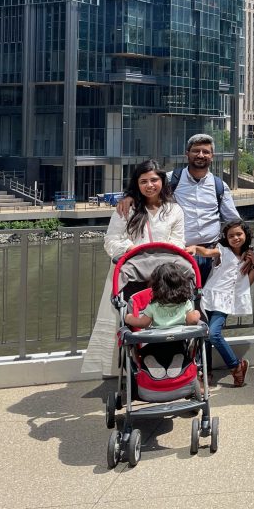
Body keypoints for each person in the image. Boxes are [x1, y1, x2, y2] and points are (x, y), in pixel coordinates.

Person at [83, 160, 186, 375]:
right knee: (131, 320)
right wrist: (135, 251)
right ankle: (135, 369)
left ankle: (169, 363)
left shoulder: (174, 210)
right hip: (130, 275)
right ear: (136, 184)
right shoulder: (127, 208)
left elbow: (178, 244)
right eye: (144, 181)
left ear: (162, 181)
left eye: (154, 180)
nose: (150, 185)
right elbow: (111, 241)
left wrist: (159, 264)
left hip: (164, 278)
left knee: (166, 321)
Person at [115, 134, 243, 286]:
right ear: (187, 154)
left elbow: (234, 222)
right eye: (196, 151)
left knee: (211, 303)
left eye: (206, 152)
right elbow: (148, 188)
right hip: (180, 255)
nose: (201, 155)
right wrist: (129, 196)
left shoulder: (219, 186)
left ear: (212, 156)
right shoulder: (171, 179)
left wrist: (246, 250)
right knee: (181, 302)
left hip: (211, 254)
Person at [201, 220, 254, 387]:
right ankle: (206, 371)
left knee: (214, 334)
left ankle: (235, 365)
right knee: (205, 336)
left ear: (246, 235)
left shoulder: (248, 256)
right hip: (209, 296)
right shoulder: (222, 250)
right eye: (231, 235)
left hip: (224, 301)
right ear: (225, 237)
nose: (235, 238)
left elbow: (247, 282)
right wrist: (196, 249)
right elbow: (207, 252)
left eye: (239, 234)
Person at [124, 261, 201, 329]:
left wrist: (129, 318)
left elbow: (143, 323)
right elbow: (192, 321)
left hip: (158, 342)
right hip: (179, 342)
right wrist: (196, 314)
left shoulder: (153, 305)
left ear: (156, 286)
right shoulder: (185, 303)